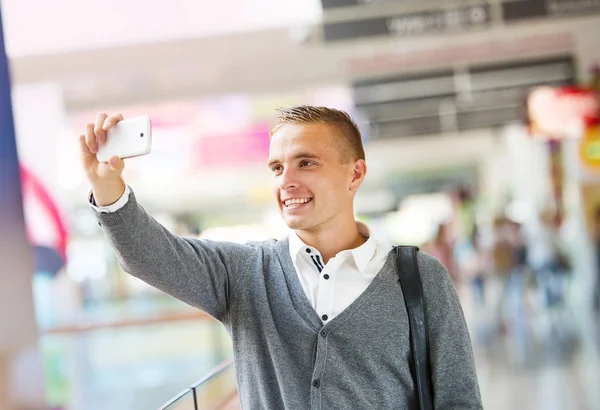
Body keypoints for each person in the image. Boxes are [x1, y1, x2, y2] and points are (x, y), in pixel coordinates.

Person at [80, 106, 482, 409]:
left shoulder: (419, 277)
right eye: (276, 167)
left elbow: (458, 397)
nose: (287, 181)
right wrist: (108, 189)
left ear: (355, 174)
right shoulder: (244, 273)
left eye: (306, 163)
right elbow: (150, 256)